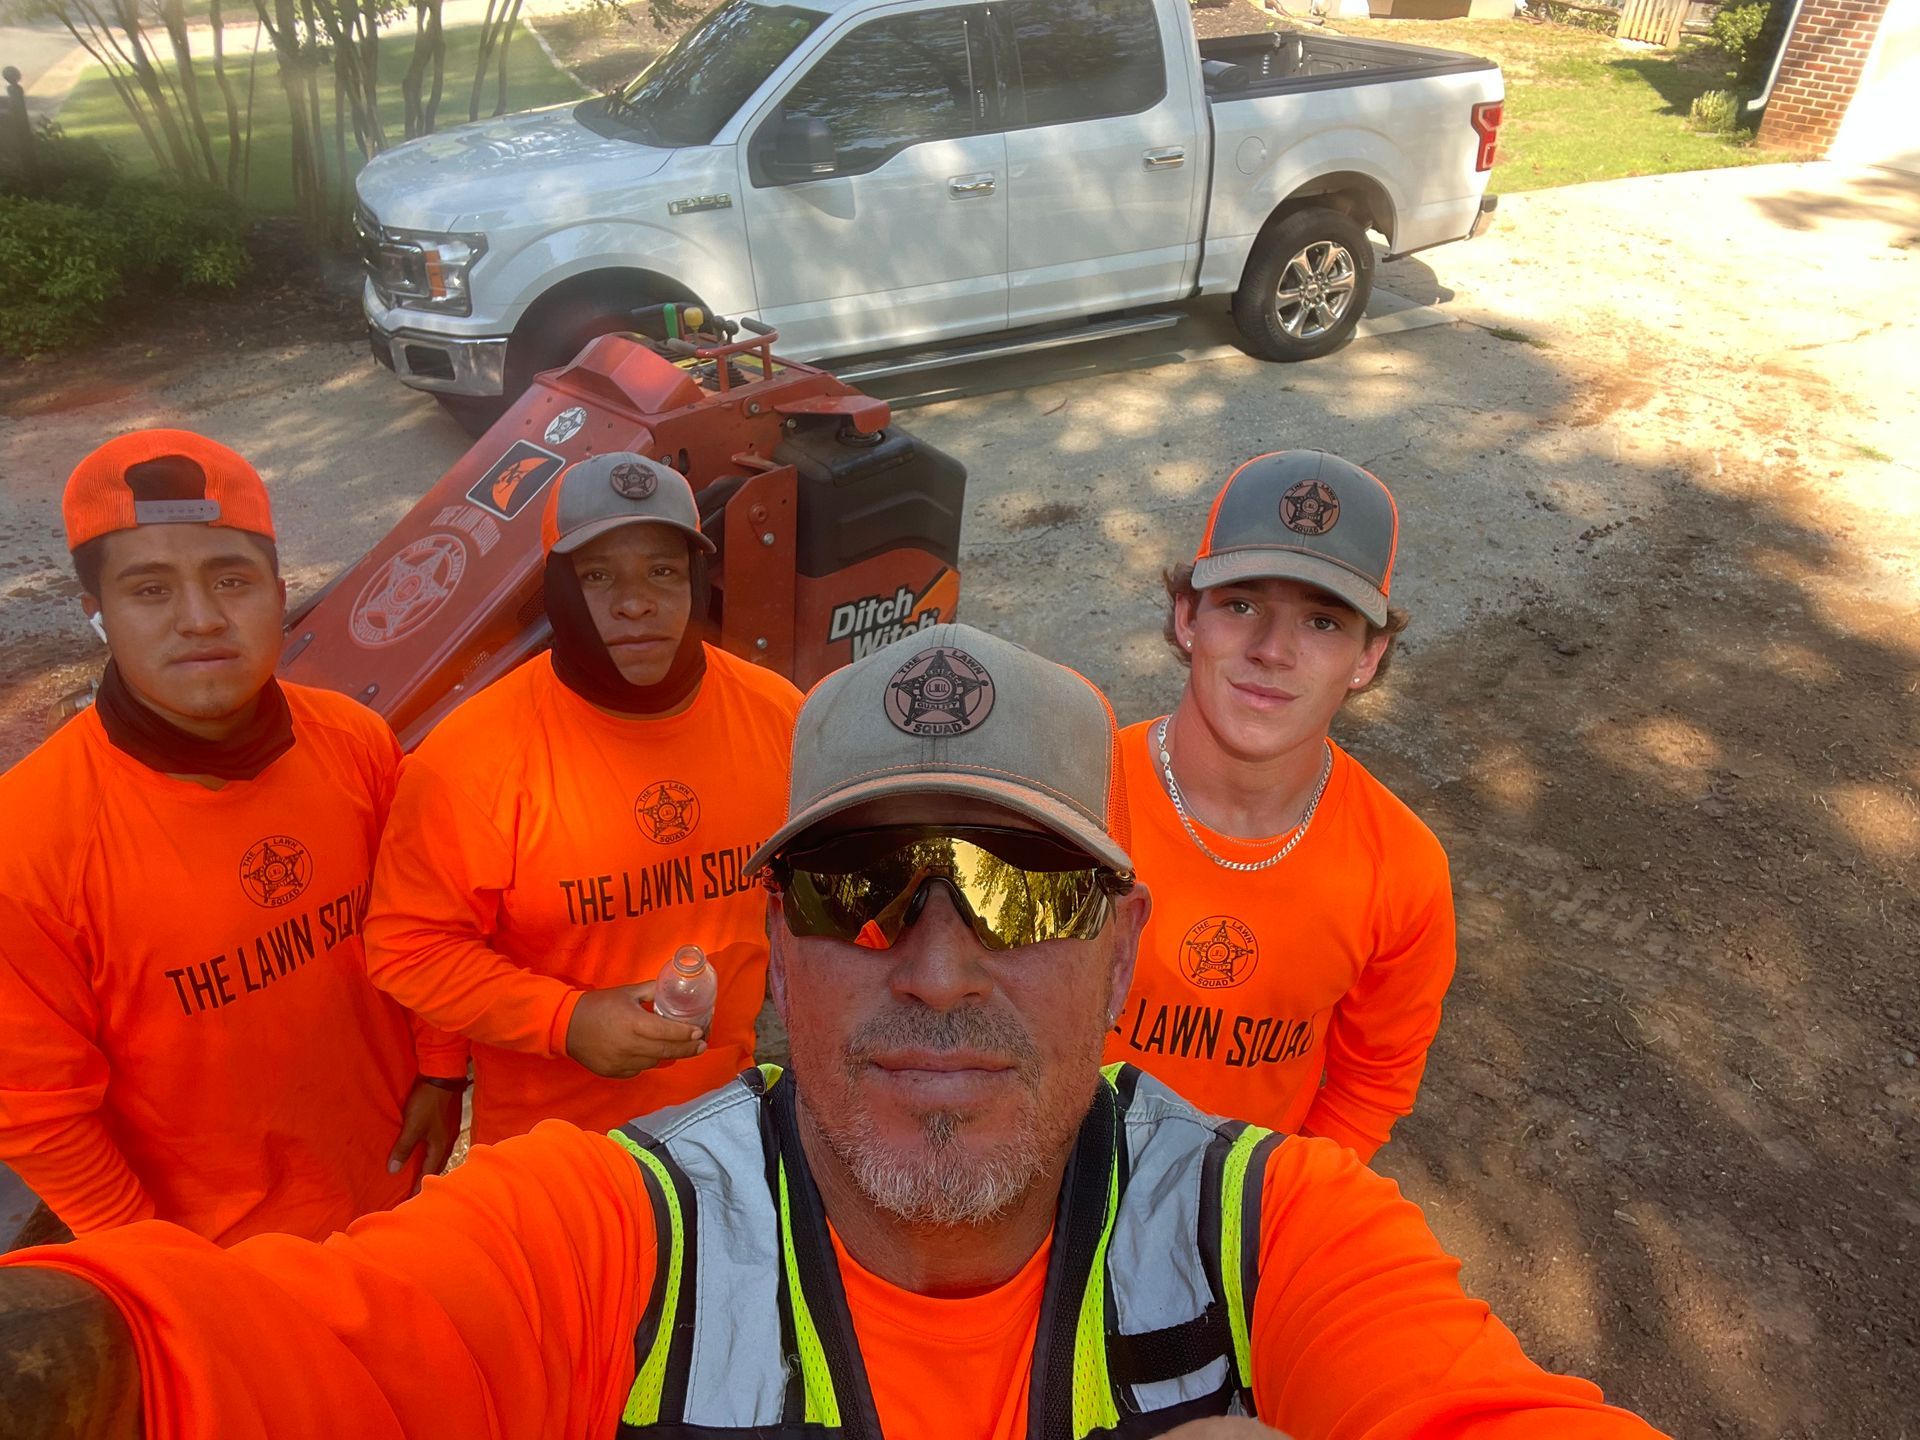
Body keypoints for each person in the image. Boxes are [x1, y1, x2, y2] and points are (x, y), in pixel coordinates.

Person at [0, 624, 1664, 1440]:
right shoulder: (615, 1226)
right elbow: (306, 1341)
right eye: (864, 889)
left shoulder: (1268, 1229)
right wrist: (83, 1362)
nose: (936, 967)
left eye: (1019, 887)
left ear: (1123, 948)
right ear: (774, 957)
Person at [0, 429, 466, 1247]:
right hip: (213, 1254)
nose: (202, 619)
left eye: (232, 579)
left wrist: (440, 1068)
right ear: (96, 614)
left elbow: (425, 920)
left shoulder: (355, 743)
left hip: (394, 1189)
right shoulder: (28, 840)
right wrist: (158, 1270)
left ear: (279, 592)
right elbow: (39, 1113)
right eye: (150, 590)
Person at [361, 452, 803, 1146]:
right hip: (551, 1149)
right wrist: (564, 1021)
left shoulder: (777, 715)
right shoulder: (471, 754)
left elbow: (822, 896)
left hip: (726, 1125)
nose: (636, 603)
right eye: (599, 577)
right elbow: (407, 946)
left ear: (695, 578)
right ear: (556, 590)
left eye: (662, 570)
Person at [1103, 452, 1456, 1163]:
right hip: (1045, 1190)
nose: (1273, 650)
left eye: (1323, 623)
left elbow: (1371, 1084)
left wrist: (1274, 1207)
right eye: (1241, 605)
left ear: (1368, 658)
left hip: (1235, 1207)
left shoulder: (1401, 868)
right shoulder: (1072, 795)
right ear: (1186, 618)